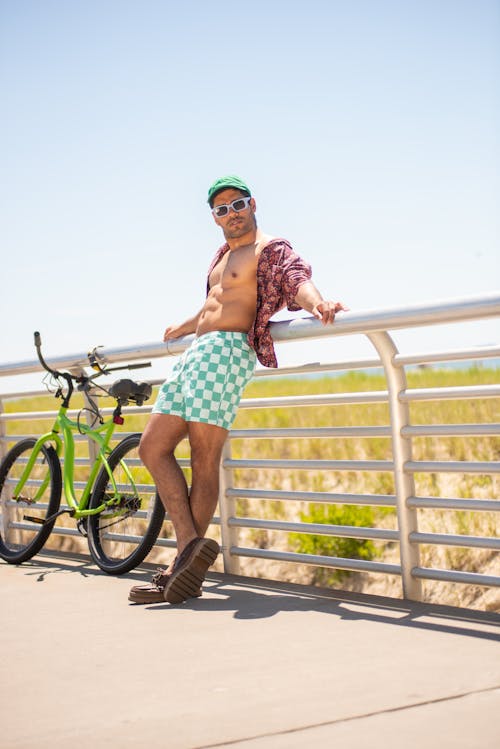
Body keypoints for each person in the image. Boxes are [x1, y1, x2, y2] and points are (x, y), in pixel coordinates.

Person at [129, 175, 347, 605]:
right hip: (197, 351)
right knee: (152, 447)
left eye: (238, 203)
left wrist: (318, 304)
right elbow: (215, 301)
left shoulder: (271, 249)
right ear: (214, 218)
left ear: (252, 204)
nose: (232, 213)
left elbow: (295, 279)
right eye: (222, 209)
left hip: (227, 353)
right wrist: (185, 326)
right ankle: (191, 548)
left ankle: (180, 565)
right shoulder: (220, 255)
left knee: (203, 456)